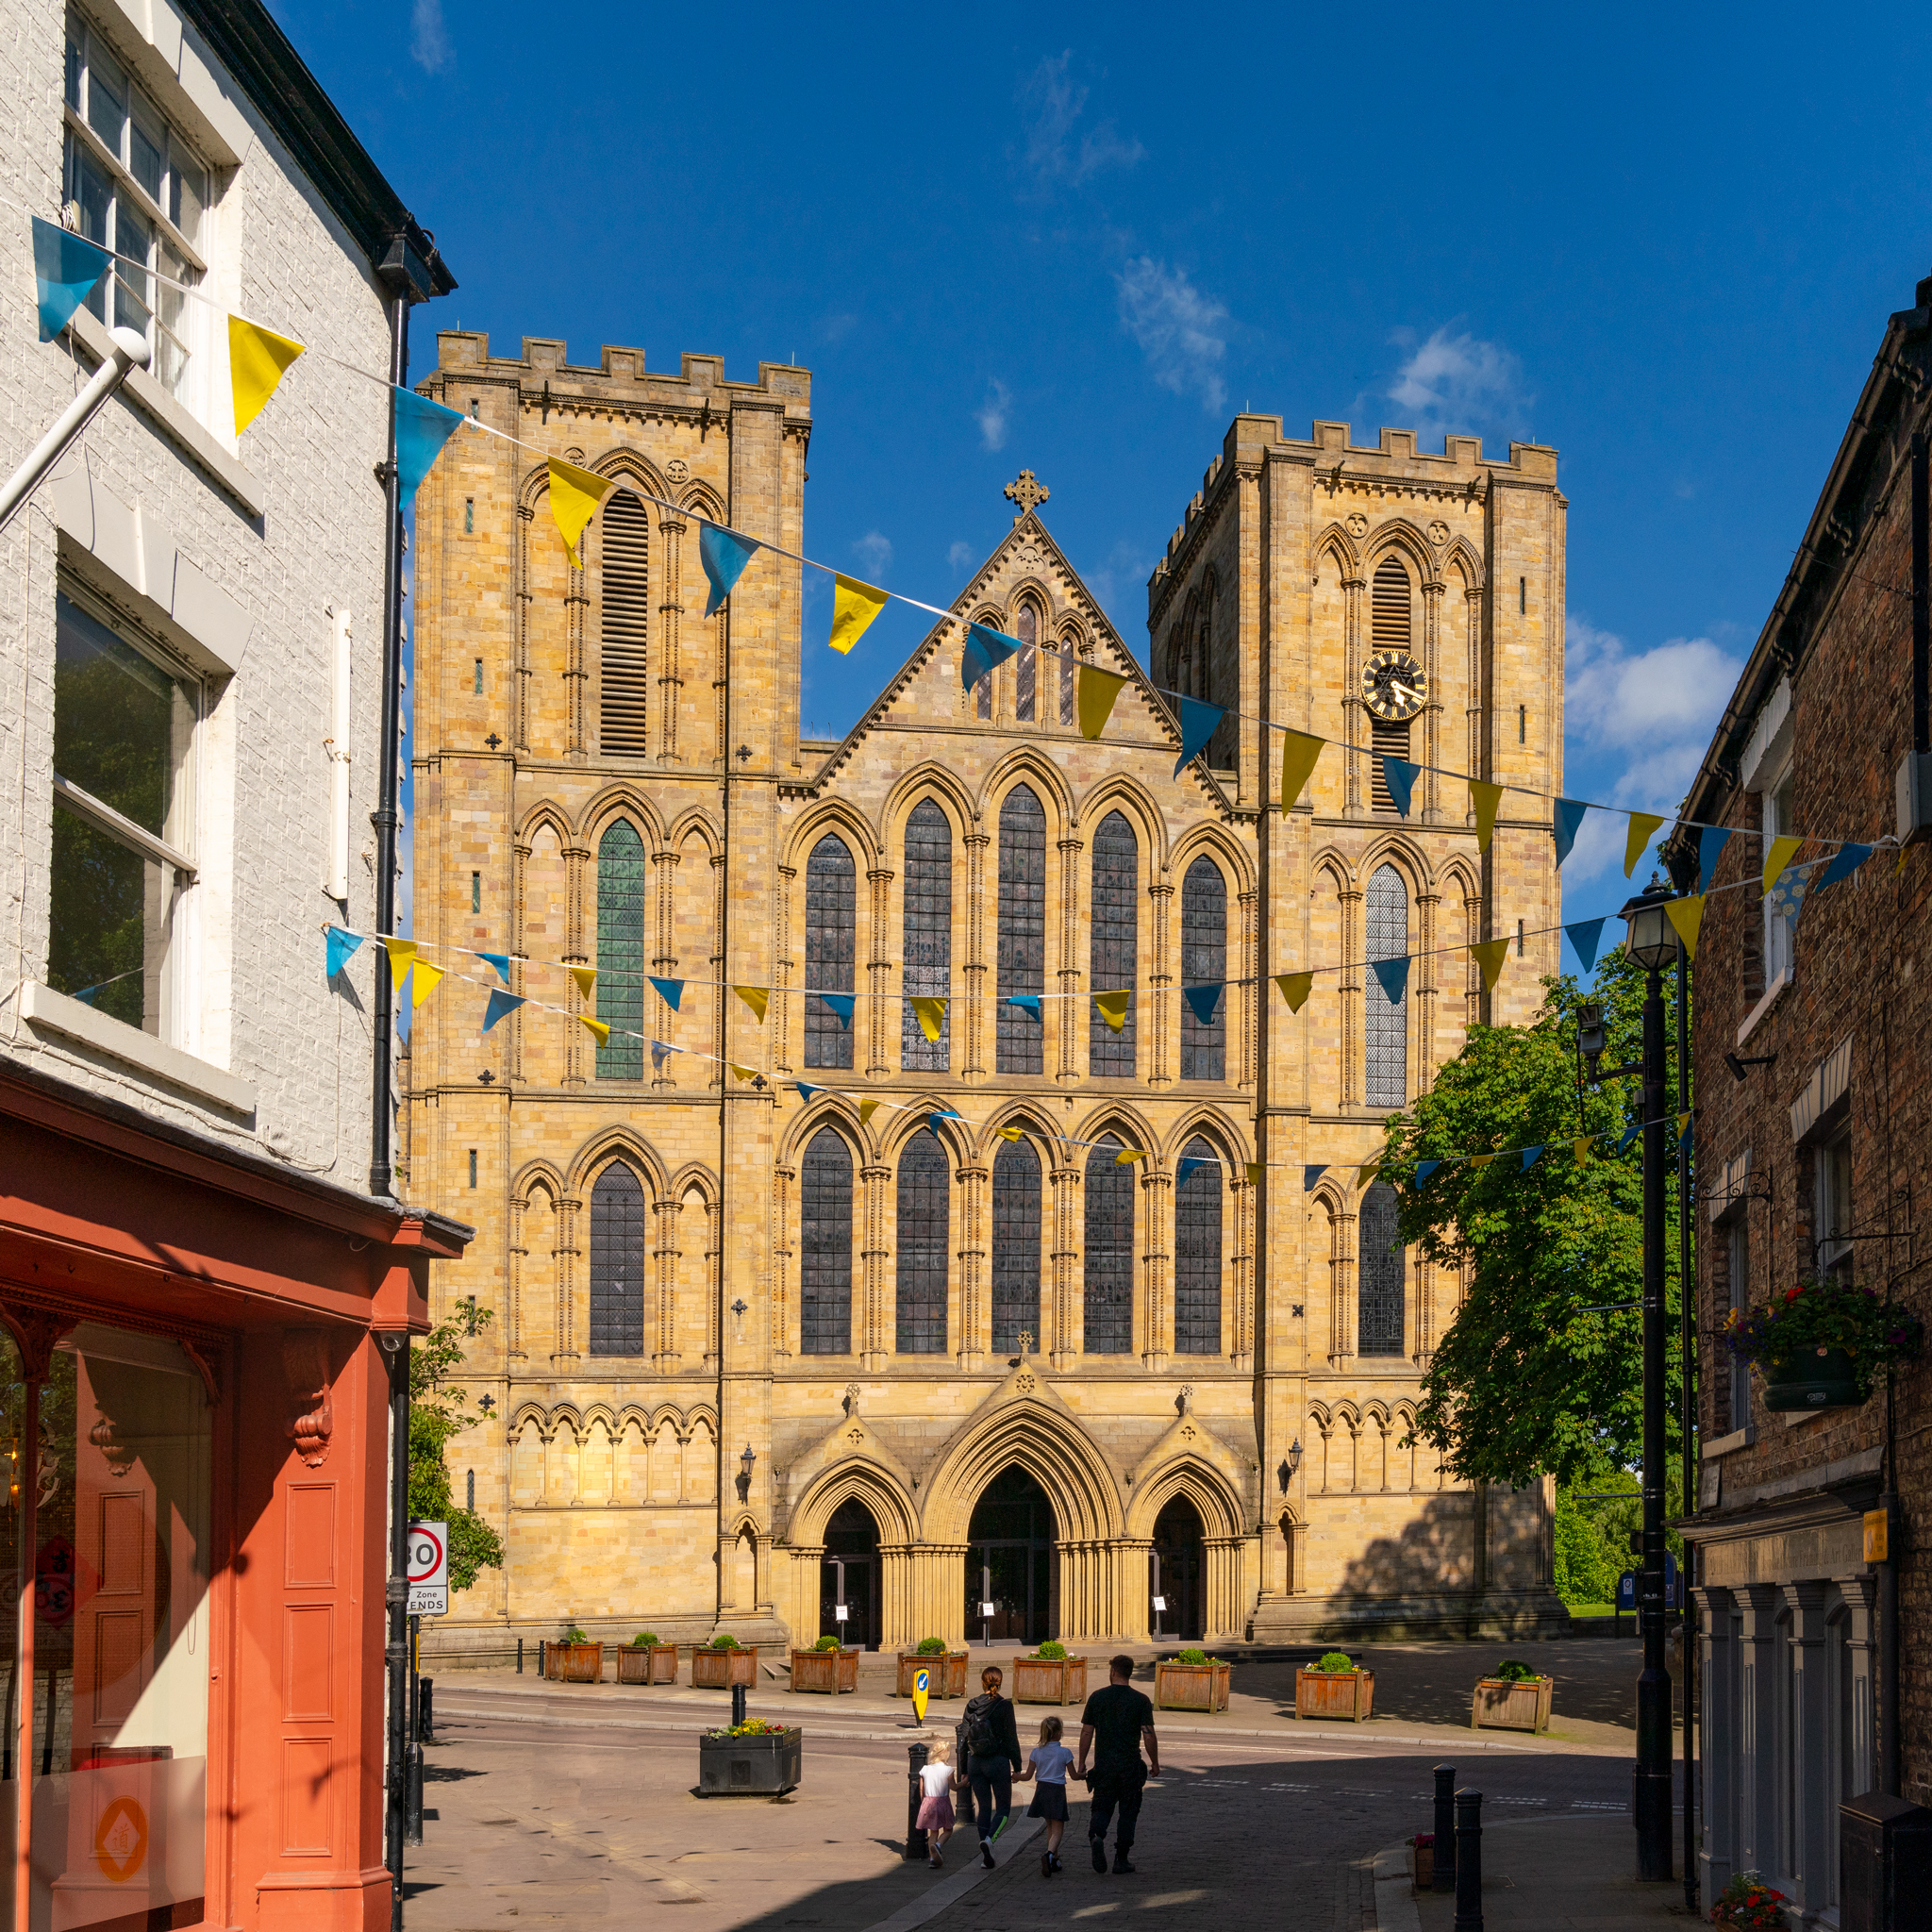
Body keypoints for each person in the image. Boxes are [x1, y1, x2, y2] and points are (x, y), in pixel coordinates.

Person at [1074, 1653, 1158, 1874]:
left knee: (1101, 1806)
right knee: (1128, 1813)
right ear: (1129, 1673)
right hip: (1130, 1765)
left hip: (1104, 1765)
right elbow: (1148, 1734)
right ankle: (1121, 1858)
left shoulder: (1097, 1697)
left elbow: (1086, 1732)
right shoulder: (1141, 1700)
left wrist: (1082, 1763)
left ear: (1113, 1672)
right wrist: (1155, 1763)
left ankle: (1096, 1836)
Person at [959, 1665, 1023, 1868]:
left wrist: (963, 1770)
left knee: (984, 1807)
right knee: (1003, 1809)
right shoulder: (1004, 1706)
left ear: (983, 1682)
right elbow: (1011, 1737)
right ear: (1000, 1682)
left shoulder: (971, 1705)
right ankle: (989, 1841)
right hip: (998, 1761)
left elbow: (963, 1738)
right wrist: (1017, 1766)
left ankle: (985, 1855)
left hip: (975, 1762)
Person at [1015, 1714, 1074, 1876]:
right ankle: (1049, 1854)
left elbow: (1027, 1776)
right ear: (1059, 1733)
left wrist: (1016, 1777)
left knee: (1049, 1825)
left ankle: (1054, 1858)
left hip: (1042, 1790)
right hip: (1057, 1791)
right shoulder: (1065, 1752)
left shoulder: (1036, 1752)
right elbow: (1074, 1775)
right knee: (1058, 1827)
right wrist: (1084, 1774)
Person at [915, 1736, 958, 1868]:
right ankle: (938, 1846)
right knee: (948, 1829)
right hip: (942, 1802)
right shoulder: (948, 1770)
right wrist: (964, 1783)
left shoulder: (925, 1769)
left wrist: (924, 1802)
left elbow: (921, 1789)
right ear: (945, 1754)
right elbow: (953, 1787)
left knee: (933, 1832)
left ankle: (933, 1860)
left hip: (928, 1802)